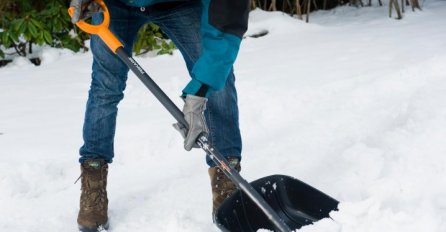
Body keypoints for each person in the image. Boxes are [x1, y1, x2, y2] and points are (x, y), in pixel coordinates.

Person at [69, 0, 249, 231]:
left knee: (219, 86)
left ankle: (228, 177)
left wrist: (201, 89)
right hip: (115, 4)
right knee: (105, 88)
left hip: (178, 4)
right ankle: (93, 178)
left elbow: (225, 20)